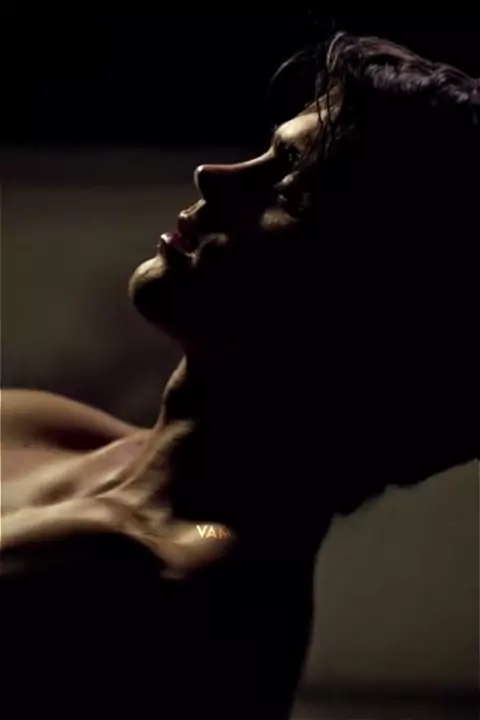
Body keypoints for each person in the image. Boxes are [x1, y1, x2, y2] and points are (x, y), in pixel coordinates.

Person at [2, 32, 479, 720]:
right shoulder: (46, 427)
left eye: (289, 186)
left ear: (371, 303)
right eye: (267, 151)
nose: (214, 176)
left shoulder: (155, 591)